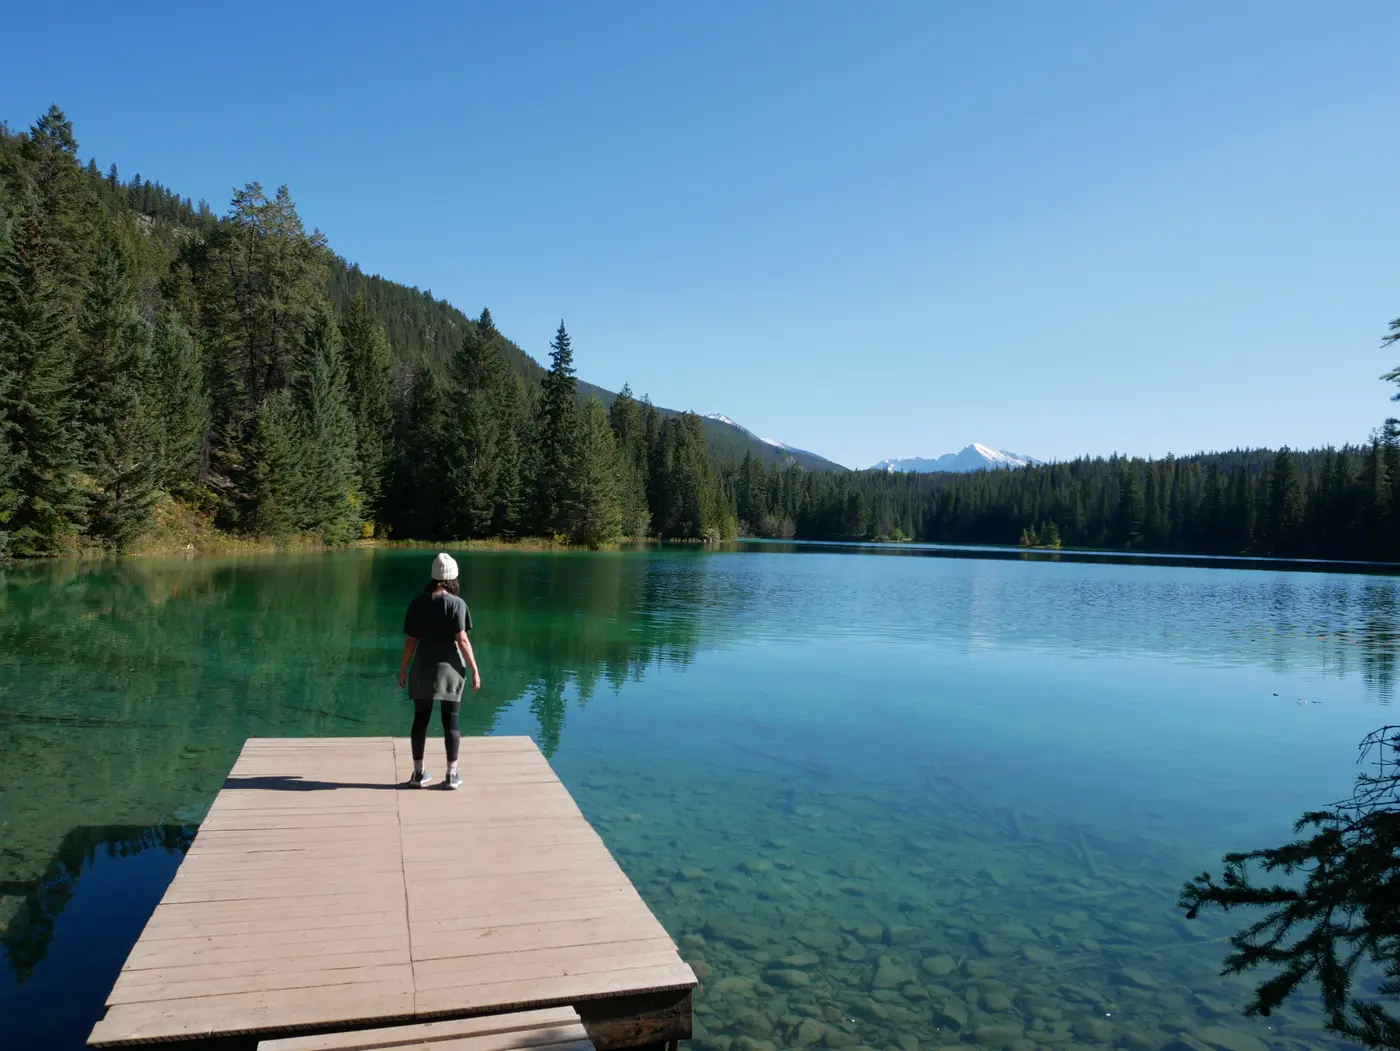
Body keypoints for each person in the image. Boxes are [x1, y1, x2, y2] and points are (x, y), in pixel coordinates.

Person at [397, 552, 481, 789]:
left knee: (420, 720)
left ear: (433, 577)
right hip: (451, 670)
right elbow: (462, 640)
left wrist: (403, 669)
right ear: (453, 578)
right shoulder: (457, 604)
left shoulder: (417, 603)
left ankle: (417, 773)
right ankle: (451, 775)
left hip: (422, 668)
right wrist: (475, 670)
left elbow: (410, 642)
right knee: (451, 723)